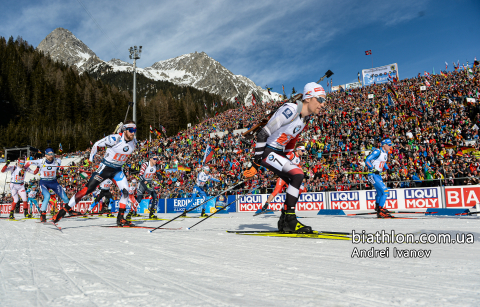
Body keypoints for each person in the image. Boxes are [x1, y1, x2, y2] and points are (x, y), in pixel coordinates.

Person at [243, 82, 327, 233]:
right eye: (320, 100)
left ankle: (285, 219)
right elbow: (263, 133)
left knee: (296, 181)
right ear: (308, 98)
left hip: (277, 152)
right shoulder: (291, 110)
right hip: (266, 151)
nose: (322, 104)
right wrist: (255, 164)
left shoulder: (304, 119)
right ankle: (289, 220)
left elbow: (292, 140)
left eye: (324, 101)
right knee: (297, 174)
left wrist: (287, 158)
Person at [53, 121, 138, 227]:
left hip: (117, 170)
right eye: (131, 131)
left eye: (134, 130)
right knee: (86, 190)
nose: (133, 133)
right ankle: (63, 211)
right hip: (105, 168)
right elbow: (97, 144)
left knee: (126, 192)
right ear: (125, 130)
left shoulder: (134, 142)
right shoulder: (114, 139)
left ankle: (120, 218)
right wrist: (90, 159)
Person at [259, 146, 307, 214]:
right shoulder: (292, 155)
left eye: (304, 151)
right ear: (298, 150)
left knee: (294, 192)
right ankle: (266, 205)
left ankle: (286, 208)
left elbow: (298, 166)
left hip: (289, 178)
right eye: (302, 151)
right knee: (276, 191)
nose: (303, 152)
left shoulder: (298, 158)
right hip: (283, 177)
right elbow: (283, 162)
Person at [29, 148, 71, 222]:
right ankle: (43, 215)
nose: (51, 156)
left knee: (65, 198)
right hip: (44, 182)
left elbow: (57, 169)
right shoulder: (40, 161)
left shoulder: (57, 160)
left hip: (54, 182)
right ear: (45, 155)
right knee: (47, 196)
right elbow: (28, 163)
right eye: (49, 154)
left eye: (52, 154)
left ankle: (69, 211)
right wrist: (25, 169)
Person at [365, 139, 394, 218]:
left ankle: (378, 208)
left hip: (378, 175)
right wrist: (373, 169)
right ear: (384, 145)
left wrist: (388, 169)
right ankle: (381, 210)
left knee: (380, 192)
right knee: (385, 191)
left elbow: (383, 162)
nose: (390, 146)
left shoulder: (385, 152)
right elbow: (367, 160)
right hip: (373, 174)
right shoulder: (377, 151)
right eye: (389, 145)